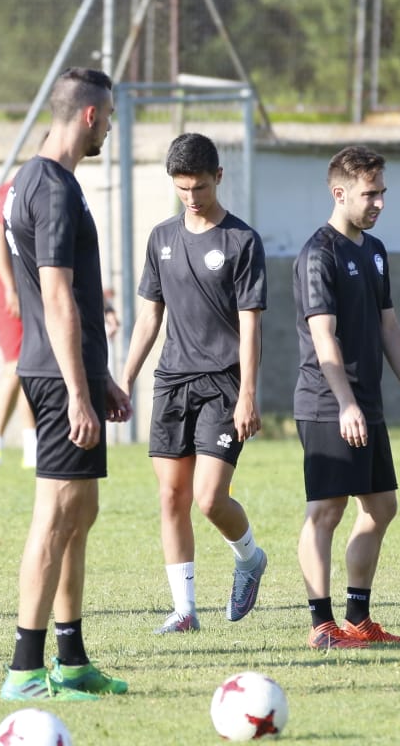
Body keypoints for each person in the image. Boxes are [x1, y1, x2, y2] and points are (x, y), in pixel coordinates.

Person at [0, 67, 132, 701]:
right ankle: (25, 669)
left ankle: (72, 660)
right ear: (88, 116)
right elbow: (54, 292)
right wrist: (78, 389)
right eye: (107, 117)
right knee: (54, 517)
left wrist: (99, 375)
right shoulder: (49, 187)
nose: (109, 127)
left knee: (81, 512)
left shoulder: (45, 180)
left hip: (68, 370)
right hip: (56, 377)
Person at [120, 132, 269, 633]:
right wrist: (124, 379)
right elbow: (149, 317)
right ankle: (185, 611)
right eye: (182, 188)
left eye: (200, 187)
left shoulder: (242, 241)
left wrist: (248, 392)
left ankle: (249, 558)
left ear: (219, 177)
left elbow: (251, 324)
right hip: (172, 381)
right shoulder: (161, 238)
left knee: (208, 498)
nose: (192, 198)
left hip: (224, 383)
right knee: (171, 497)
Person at [293, 145, 400, 650]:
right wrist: (346, 402)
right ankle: (321, 625)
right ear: (340, 192)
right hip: (327, 403)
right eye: (369, 193)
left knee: (381, 505)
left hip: (365, 404)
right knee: (325, 511)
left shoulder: (374, 251)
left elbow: (388, 326)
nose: (378, 203)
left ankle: (358, 619)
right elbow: (323, 336)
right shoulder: (318, 254)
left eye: (382, 192)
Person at [0, 174, 38, 470]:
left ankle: (32, 446)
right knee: (15, 364)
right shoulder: (15, 187)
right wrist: (9, 287)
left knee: (30, 364)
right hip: (9, 286)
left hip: (31, 284)